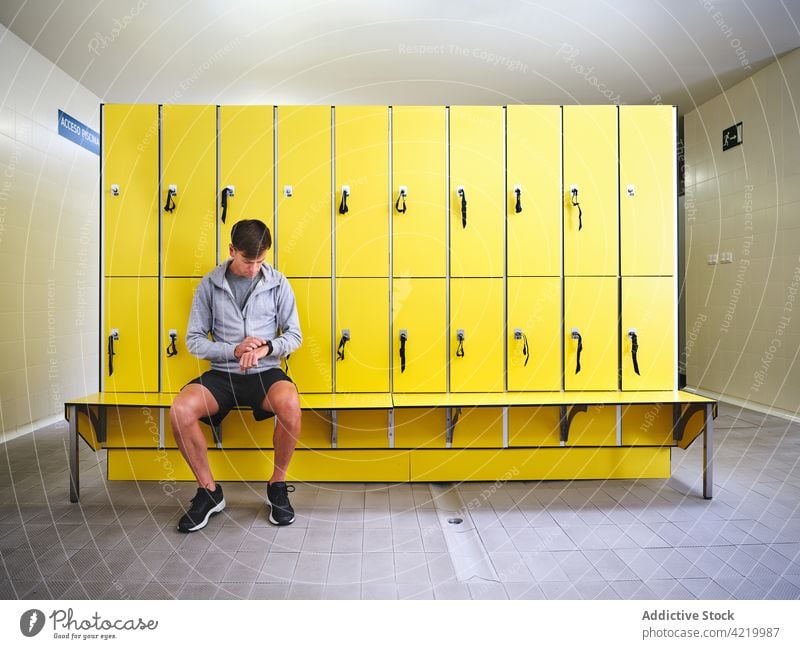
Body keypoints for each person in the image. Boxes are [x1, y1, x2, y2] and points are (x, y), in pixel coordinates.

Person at [170, 219, 302, 532]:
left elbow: (294, 335)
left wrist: (266, 348)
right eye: (247, 261)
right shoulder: (209, 285)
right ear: (232, 251)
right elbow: (194, 340)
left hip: (265, 372)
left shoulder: (278, 283)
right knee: (179, 411)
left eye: (260, 261)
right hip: (223, 375)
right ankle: (209, 492)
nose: (254, 268)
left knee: (291, 404)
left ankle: (277, 486)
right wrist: (233, 350)